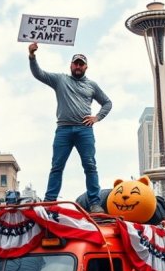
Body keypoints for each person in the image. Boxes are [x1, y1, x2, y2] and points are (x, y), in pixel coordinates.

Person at [28, 42, 112, 213]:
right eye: (76, 63)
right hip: (63, 130)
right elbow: (39, 74)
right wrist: (32, 55)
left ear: (86, 67)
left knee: (90, 165)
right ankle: (50, 201)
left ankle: (95, 203)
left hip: (84, 130)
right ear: (71, 65)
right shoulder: (60, 80)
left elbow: (107, 103)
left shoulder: (92, 85)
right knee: (57, 166)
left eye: (81, 64)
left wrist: (97, 117)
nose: (78, 66)